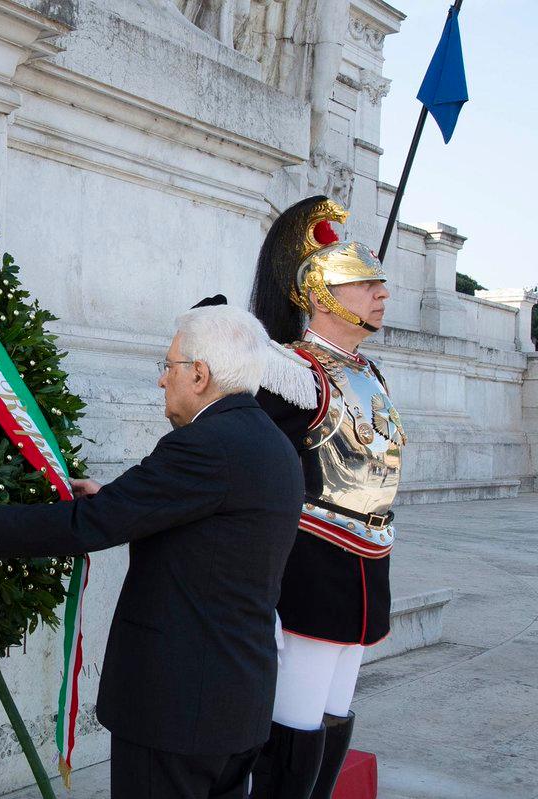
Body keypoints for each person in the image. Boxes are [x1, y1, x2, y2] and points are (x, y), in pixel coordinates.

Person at [0, 304, 304, 799]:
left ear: (199, 375)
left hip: (177, 712)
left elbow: (85, 526)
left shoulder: (205, 445)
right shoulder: (270, 442)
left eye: (169, 366)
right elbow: (210, 534)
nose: (162, 381)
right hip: (234, 704)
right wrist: (117, 501)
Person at [248, 196, 404, 799]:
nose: (380, 293)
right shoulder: (290, 372)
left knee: (339, 698)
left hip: (369, 553)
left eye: (379, 283)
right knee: (301, 704)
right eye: (364, 282)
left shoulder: (369, 371)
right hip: (313, 557)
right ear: (319, 291)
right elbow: (256, 468)